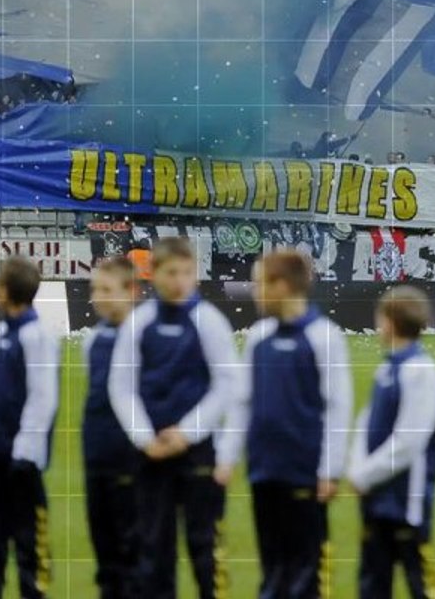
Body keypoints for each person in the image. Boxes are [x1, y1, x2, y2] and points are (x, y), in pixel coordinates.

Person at [107, 237, 238, 599]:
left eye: (186, 272)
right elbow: (121, 385)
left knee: (205, 547)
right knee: (153, 547)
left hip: (196, 452)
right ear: (155, 274)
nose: (179, 280)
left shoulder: (209, 321)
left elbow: (227, 384)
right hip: (150, 454)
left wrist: (185, 433)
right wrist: (145, 438)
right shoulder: (141, 321)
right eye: (171, 272)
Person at [222, 249, 353, 599]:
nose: (255, 291)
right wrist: (226, 457)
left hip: (305, 472)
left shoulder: (324, 336)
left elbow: (338, 407)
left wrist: (329, 469)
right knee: (272, 567)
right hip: (264, 470)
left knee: (305, 570)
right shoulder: (257, 337)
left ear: (282, 285)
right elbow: (241, 401)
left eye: (260, 283)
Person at [0, 257, 60, 599]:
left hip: (20, 460)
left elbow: (42, 397)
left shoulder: (38, 336)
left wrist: (26, 451)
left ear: (5, 289)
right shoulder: (2, 331)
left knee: (29, 538)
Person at [346, 286, 435, 599]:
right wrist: (357, 465)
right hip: (376, 496)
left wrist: (364, 474)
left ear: (389, 322)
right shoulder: (387, 367)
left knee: (420, 582)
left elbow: (409, 441)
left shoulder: (421, 371)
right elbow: (366, 423)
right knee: (373, 581)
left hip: (407, 499)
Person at [82, 257, 142, 599]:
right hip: (96, 457)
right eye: (94, 290)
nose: (98, 297)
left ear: (131, 291)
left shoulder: (142, 336)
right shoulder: (94, 338)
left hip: (131, 458)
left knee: (132, 551)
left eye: (107, 289)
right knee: (104, 554)